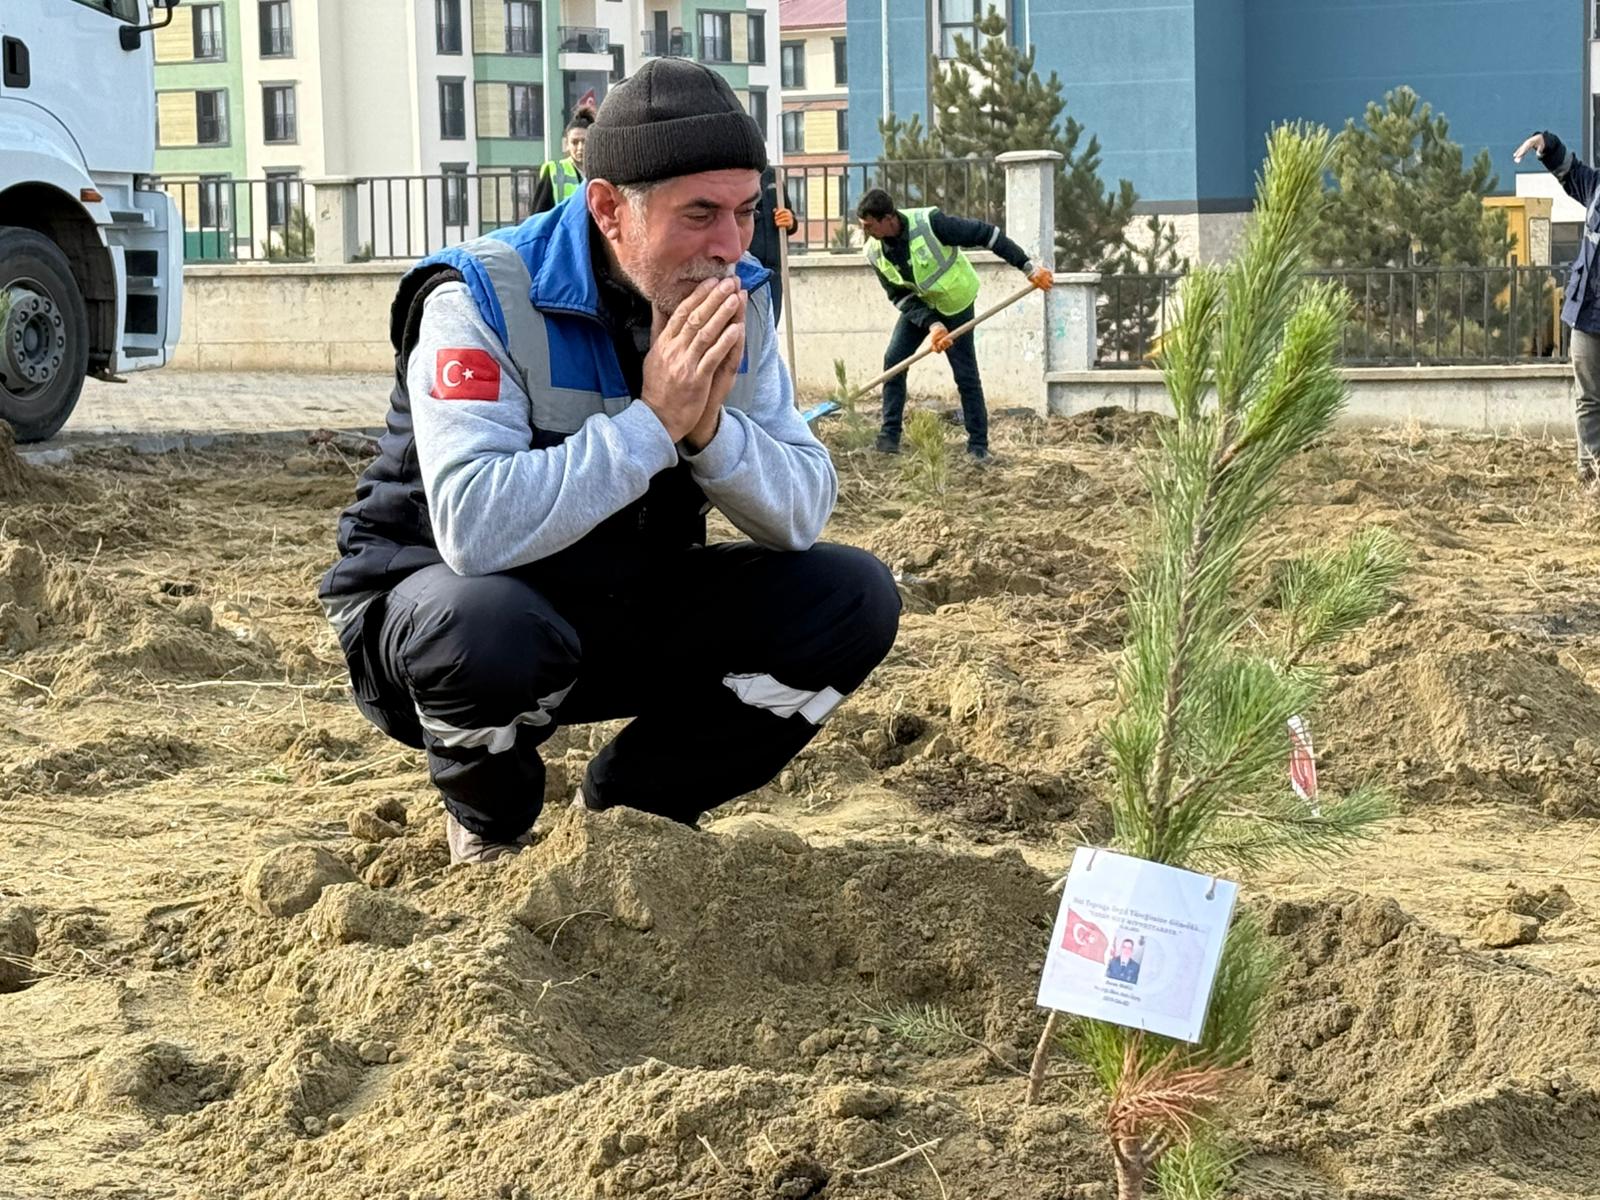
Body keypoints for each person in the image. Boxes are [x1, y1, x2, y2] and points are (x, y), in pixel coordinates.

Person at [317, 58, 901, 865]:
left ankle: (637, 806)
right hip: (441, 625)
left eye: (744, 211)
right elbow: (474, 531)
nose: (729, 245)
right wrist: (652, 423)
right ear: (607, 209)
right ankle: (493, 827)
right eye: (699, 214)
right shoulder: (480, 300)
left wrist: (706, 434)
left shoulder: (740, 296)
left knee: (852, 599)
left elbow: (801, 511)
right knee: (485, 628)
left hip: (613, 597)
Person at [856, 188, 1055, 462]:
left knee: (965, 374)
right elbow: (898, 295)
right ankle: (889, 438)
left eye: (869, 225)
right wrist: (932, 325)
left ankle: (978, 447)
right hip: (923, 307)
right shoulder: (873, 251)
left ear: (888, 218)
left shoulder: (931, 224)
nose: (865, 231)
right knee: (894, 361)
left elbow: (987, 234)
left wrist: (1028, 267)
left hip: (956, 302)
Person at [1516, 129, 1600, 484]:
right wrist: (1544, 144)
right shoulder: (1596, 187)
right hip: (1588, 313)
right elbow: (1569, 171)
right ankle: (1591, 472)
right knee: (1588, 399)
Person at [748, 165, 799, 324]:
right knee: (751, 328)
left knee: (771, 323)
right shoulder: (737, 176)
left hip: (774, 268)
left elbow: (788, 211)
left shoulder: (773, 176)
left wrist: (790, 221)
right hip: (749, 269)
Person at [531, 104, 596, 214]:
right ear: (567, 144)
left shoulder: (603, 172)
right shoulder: (554, 171)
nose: (580, 147)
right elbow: (539, 216)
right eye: (574, 142)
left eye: (585, 141)